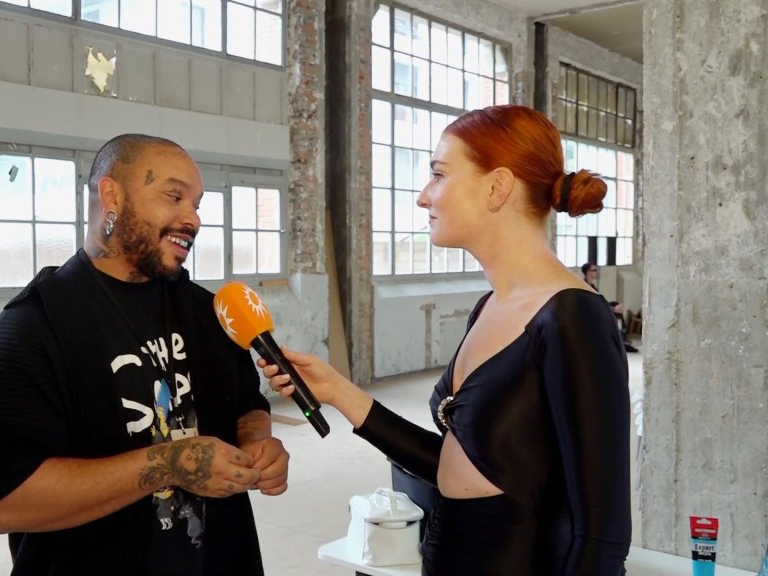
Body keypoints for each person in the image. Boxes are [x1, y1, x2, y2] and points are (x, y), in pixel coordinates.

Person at [260, 105, 631, 575]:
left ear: (497, 187)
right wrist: (338, 391)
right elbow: (457, 469)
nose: (423, 196)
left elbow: (601, 535)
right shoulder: (489, 306)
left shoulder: (573, 318)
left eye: (438, 174)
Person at [0, 134, 289, 575]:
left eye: (197, 205)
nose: (193, 219)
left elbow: (248, 403)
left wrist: (258, 442)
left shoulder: (209, 313)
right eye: (174, 196)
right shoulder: (34, 326)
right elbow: (3, 501)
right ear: (111, 196)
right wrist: (170, 463)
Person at [582, 262, 639, 353]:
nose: (597, 272)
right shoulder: (585, 286)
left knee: (616, 304)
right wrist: (612, 309)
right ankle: (621, 339)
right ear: (588, 272)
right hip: (592, 311)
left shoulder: (592, 285)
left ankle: (622, 336)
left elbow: (599, 301)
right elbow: (593, 303)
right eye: (594, 270)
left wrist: (613, 307)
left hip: (597, 307)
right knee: (614, 310)